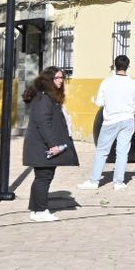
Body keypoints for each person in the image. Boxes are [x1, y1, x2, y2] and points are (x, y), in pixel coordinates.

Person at [22, 66, 79, 222]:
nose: (61, 81)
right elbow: (43, 124)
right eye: (57, 78)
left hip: (43, 145)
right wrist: (53, 145)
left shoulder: (48, 97)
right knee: (44, 177)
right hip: (42, 146)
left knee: (43, 176)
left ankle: (36, 209)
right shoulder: (43, 99)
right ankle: (40, 210)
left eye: (62, 78)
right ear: (49, 80)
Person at [79, 55, 135, 191]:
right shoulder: (134, 84)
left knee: (102, 151)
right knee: (122, 152)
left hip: (110, 121)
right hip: (128, 120)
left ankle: (94, 181)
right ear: (128, 66)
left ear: (115, 66)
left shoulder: (106, 82)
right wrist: (128, 112)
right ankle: (118, 182)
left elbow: (100, 102)